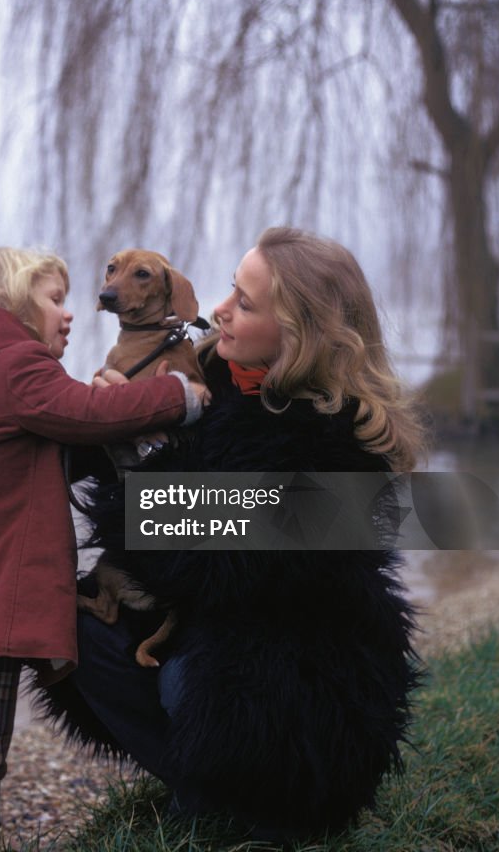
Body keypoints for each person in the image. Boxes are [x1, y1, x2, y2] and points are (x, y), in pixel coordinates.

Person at [33, 227, 425, 841]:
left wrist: (142, 448)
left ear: (302, 332)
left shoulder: (334, 447)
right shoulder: (209, 377)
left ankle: (254, 805)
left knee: (202, 683)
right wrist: (90, 414)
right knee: (66, 621)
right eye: (229, 291)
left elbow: (208, 564)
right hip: (207, 625)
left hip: (298, 686)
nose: (219, 310)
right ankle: (201, 783)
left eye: (244, 303)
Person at [0, 246, 207, 852]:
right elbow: (88, 414)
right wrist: (180, 396)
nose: (71, 314)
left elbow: (71, 435)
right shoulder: (17, 366)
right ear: (12, 307)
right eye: (55, 301)